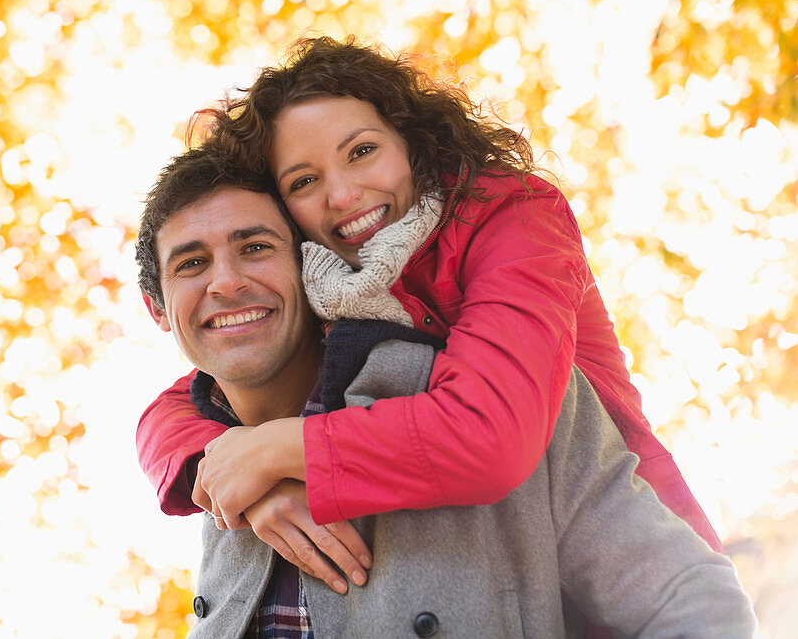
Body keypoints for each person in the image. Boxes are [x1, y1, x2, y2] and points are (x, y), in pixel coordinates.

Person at [135, 36, 724, 560]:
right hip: (486, 571)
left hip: (632, 561)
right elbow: (183, 401)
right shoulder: (326, 280)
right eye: (304, 182)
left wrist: (278, 451)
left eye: (362, 151)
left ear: (411, 142)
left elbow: (491, 435)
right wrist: (226, 470)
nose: (342, 194)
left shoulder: (510, 215)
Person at [134, 147, 755, 637]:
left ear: (309, 265)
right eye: (190, 264)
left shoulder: (503, 395)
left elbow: (693, 605)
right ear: (158, 309)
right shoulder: (216, 467)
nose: (227, 282)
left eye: (255, 248)